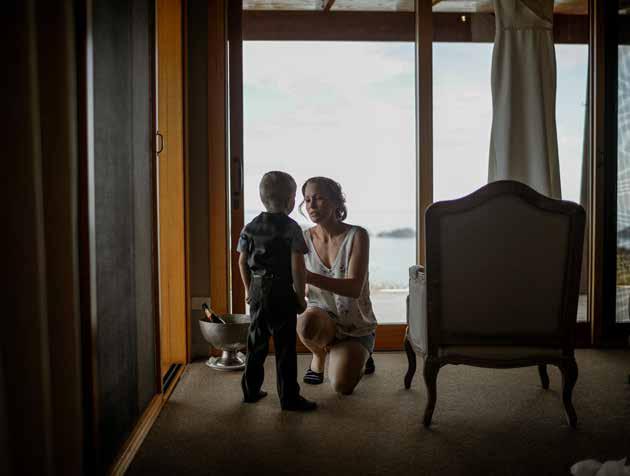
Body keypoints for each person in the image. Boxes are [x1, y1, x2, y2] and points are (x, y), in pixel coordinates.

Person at [237, 171, 317, 412]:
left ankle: (250, 391)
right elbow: (297, 267)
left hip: (258, 288)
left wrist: (248, 289)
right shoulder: (291, 228)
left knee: (255, 342)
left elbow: (241, 262)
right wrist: (300, 296)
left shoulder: (250, 227)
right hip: (281, 290)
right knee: (285, 348)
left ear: (263, 198)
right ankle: (289, 398)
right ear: (290, 201)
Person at [297, 176, 377, 395]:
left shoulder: (357, 235)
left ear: (336, 202)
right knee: (305, 324)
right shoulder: (302, 239)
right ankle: (319, 355)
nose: (312, 205)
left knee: (341, 387)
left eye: (319, 198)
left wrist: (309, 277)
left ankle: (361, 354)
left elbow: (354, 289)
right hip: (323, 319)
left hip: (355, 326)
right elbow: (300, 287)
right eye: (307, 200)